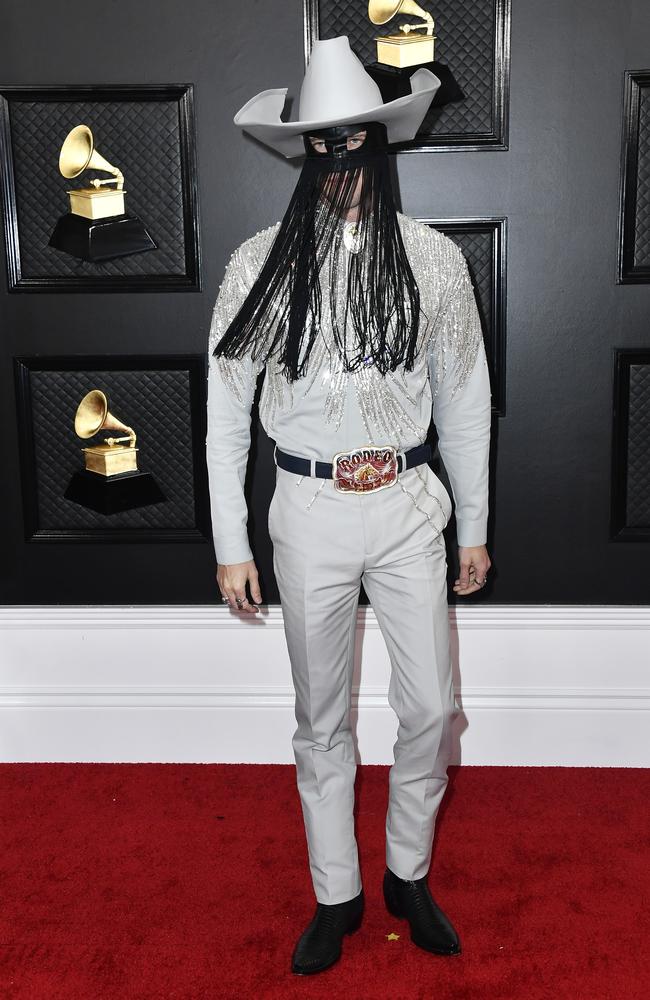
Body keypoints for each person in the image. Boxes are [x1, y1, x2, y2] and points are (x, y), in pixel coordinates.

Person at [206, 36, 492, 976]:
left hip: (411, 504)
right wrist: (230, 542)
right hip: (308, 511)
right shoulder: (258, 264)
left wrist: (475, 528)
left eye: (355, 143)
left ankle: (408, 872)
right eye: (320, 147)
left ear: (382, 143)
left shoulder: (436, 263)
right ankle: (339, 891)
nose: (340, 166)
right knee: (320, 715)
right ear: (301, 154)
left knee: (433, 708)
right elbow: (224, 413)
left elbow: (465, 399)